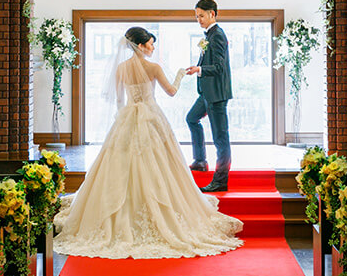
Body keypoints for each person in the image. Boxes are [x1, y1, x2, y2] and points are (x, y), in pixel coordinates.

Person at [52, 27, 243, 259]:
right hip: (152, 118)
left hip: (126, 120)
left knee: (121, 165)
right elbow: (171, 92)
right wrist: (181, 74)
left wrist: (124, 120)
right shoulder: (153, 68)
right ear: (141, 45)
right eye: (151, 44)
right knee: (161, 164)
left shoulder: (121, 69)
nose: (153, 47)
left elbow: (118, 101)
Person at [185, 0, 232, 192]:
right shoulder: (209, 35)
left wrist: (199, 69)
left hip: (216, 95)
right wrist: (199, 69)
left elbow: (220, 67)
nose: (199, 20)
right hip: (206, 92)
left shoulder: (218, 35)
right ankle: (200, 160)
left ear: (212, 14)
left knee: (221, 138)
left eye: (201, 16)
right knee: (191, 118)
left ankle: (220, 180)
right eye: (197, 16)